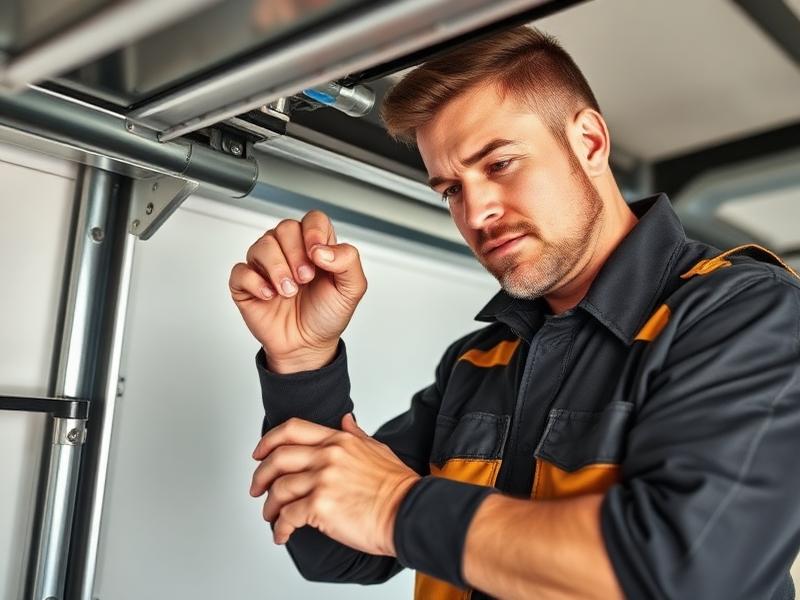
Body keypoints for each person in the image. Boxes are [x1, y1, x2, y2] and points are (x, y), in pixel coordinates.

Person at [229, 26, 800, 600]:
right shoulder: (479, 360)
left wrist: (394, 506)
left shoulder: (746, 312)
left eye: (499, 163)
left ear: (590, 143)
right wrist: (303, 361)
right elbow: (329, 547)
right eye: (451, 189)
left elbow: (687, 569)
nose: (476, 212)